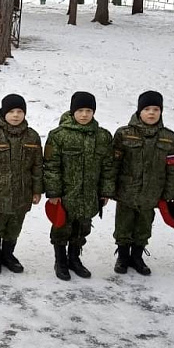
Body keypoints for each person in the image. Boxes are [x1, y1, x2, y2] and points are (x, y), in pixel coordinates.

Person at [44, 92, 115, 280]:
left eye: (88, 110)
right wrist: (54, 192)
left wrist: (105, 191)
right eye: (80, 110)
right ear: (72, 111)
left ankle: (74, 259)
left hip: (89, 195)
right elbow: (51, 166)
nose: (84, 115)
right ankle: (60, 261)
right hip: (66, 194)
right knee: (62, 228)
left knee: (82, 229)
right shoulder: (58, 136)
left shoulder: (103, 136)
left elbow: (108, 166)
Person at [111, 91, 174, 275]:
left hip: (152, 192)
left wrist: (170, 194)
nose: (151, 113)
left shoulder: (169, 137)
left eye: (156, 109)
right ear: (139, 111)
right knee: (123, 225)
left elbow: (172, 168)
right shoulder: (124, 134)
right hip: (127, 191)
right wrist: (109, 189)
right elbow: (113, 165)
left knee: (144, 226)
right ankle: (123, 257)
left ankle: (137, 257)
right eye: (147, 109)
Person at [0, 94, 43, 274]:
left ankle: (8, 255)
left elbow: (37, 166)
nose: (15, 115)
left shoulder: (32, 137)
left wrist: (37, 190)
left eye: (20, 111)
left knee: (14, 227)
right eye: (11, 111)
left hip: (23, 193)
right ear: (3, 113)